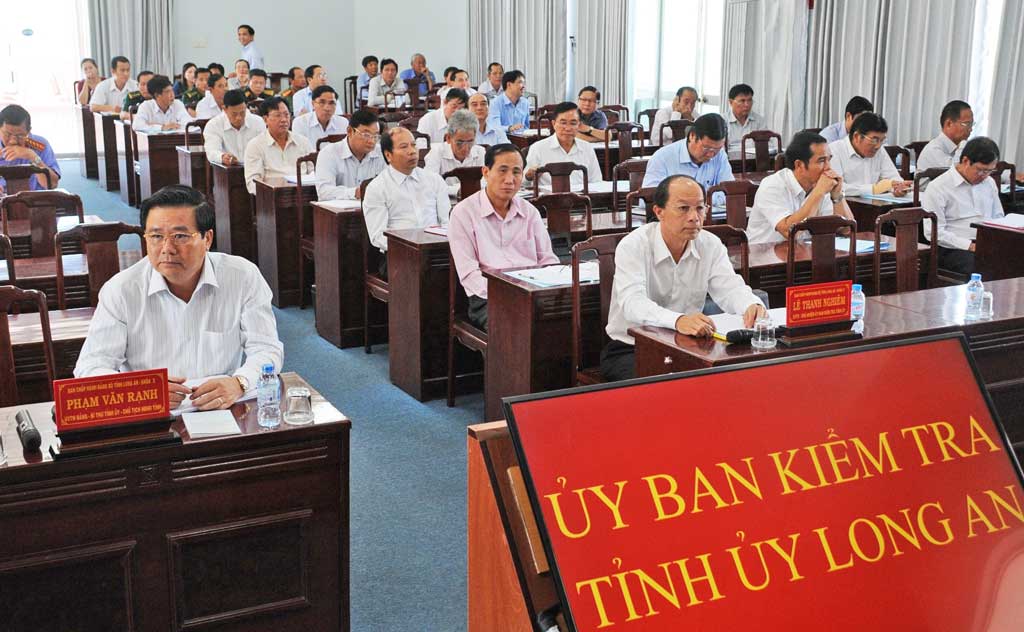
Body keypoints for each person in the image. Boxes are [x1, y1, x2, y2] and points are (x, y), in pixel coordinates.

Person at [73, 185, 283, 411]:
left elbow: (266, 349)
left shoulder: (242, 276)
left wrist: (240, 383)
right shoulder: (121, 290)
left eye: (180, 236)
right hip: (150, 414)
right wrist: (142, 391)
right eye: (156, 236)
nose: (167, 248)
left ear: (207, 238)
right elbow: (90, 367)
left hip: (222, 408)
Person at [601, 175, 766, 381]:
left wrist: (750, 305)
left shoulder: (710, 244)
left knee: (736, 377)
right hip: (632, 348)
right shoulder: (634, 245)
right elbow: (633, 304)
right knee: (670, 387)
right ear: (659, 212)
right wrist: (678, 320)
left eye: (700, 208)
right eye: (683, 208)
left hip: (690, 346)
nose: (694, 217)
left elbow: (729, 288)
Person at [449, 143, 559, 330]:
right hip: (488, 298)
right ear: (486, 172)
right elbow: (469, 274)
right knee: (518, 326)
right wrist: (511, 294)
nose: (510, 179)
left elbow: (547, 259)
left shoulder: (529, 211)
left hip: (533, 293)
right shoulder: (463, 213)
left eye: (516, 172)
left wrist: (548, 291)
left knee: (571, 319)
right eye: (502, 170)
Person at [362, 127, 450, 271]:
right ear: (388, 155)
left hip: (436, 251)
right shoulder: (377, 188)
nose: (412, 151)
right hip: (398, 256)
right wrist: (410, 247)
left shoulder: (434, 180)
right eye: (404, 147)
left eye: (413, 145)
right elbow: (377, 236)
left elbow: (446, 222)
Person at [746, 131, 853, 245]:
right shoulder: (772, 185)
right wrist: (818, 192)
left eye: (829, 160)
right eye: (821, 161)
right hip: (763, 253)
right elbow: (790, 232)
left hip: (803, 252)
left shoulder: (822, 184)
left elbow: (846, 229)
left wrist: (837, 196)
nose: (828, 167)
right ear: (799, 165)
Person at [920, 137, 1005, 275]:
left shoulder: (989, 183)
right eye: (981, 170)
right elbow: (933, 232)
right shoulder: (938, 187)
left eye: (990, 171)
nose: (985, 176)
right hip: (952, 248)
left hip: (985, 242)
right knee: (985, 267)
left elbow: (998, 217)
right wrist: (969, 245)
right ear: (965, 161)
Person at [642, 113, 733, 195]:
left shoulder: (720, 155)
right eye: (706, 148)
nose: (711, 154)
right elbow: (649, 198)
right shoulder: (662, 158)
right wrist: (705, 198)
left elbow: (730, 192)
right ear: (692, 136)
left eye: (717, 149)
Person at [828, 112, 911, 198]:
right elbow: (835, 187)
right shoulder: (834, 151)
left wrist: (898, 188)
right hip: (845, 204)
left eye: (882, 140)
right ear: (857, 136)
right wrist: (873, 189)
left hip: (875, 204)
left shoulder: (879, 151)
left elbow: (893, 177)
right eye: (874, 140)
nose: (878, 146)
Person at [243, 97, 314, 194]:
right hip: (272, 197)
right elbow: (252, 183)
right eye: (278, 115)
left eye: (286, 115)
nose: (284, 120)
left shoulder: (303, 142)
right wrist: (270, 195)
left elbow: (314, 171)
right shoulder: (255, 145)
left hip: (304, 194)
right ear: (265, 119)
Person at [524, 101, 603, 189]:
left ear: (579, 125)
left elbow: (596, 182)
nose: (568, 128)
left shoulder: (587, 148)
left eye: (573, 123)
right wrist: (528, 177)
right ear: (554, 124)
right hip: (548, 196)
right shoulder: (538, 148)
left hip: (581, 196)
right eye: (563, 123)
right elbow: (523, 184)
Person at [315, 109, 387, 201]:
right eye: (366, 135)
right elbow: (324, 192)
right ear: (349, 131)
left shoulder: (381, 153)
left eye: (375, 136)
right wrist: (356, 193)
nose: (372, 141)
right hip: (341, 209)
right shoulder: (329, 153)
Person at [424, 109, 486, 197]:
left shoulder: (480, 152)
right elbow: (430, 184)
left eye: (470, 141)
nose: (465, 148)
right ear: (448, 138)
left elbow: (486, 182)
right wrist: (457, 190)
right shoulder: (436, 152)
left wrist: (462, 189)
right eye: (460, 142)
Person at [0, 104, 61, 192]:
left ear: (28, 131)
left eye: (20, 135)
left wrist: (33, 157)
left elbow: (52, 185)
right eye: (7, 134)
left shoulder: (39, 145)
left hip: (35, 198)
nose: (13, 141)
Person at [203, 89, 266, 166]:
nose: (238, 118)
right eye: (234, 114)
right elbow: (212, 151)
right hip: (228, 169)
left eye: (242, 113)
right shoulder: (213, 125)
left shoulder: (258, 122)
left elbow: (265, 148)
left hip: (255, 167)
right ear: (225, 109)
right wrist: (222, 157)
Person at [916, 100, 973, 172]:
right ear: (949, 124)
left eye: (971, 124)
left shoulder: (957, 148)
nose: (970, 129)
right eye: (967, 124)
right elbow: (956, 173)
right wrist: (964, 144)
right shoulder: (933, 149)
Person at [725, 83, 766, 152]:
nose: (747, 105)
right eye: (742, 101)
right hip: (730, 158)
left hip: (754, 158)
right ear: (731, 102)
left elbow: (767, 145)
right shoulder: (722, 121)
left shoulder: (759, 120)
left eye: (749, 100)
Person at [487, 70, 529, 134]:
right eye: (520, 82)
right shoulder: (495, 103)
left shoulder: (525, 103)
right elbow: (495, 127)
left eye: (524, 83)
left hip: (521, 138)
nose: (524, 86)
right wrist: (509, 128)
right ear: (509, 85)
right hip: (502, 138)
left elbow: (526, 127)